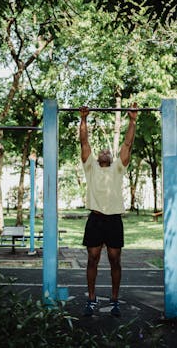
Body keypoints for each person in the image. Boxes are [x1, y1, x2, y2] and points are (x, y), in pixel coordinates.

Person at [79, 103, 138, 317]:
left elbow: (127, 143)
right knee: (92, 259)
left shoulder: (118, 168)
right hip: (95, 220)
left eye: (107, 151)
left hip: (114, 220)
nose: (104, 152)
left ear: (112, 158)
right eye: (101, 151)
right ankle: (92, 299)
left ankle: (114, 301)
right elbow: (84, 141)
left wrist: (132, 120)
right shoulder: (90, 167)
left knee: (115, 260)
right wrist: (83, 119)